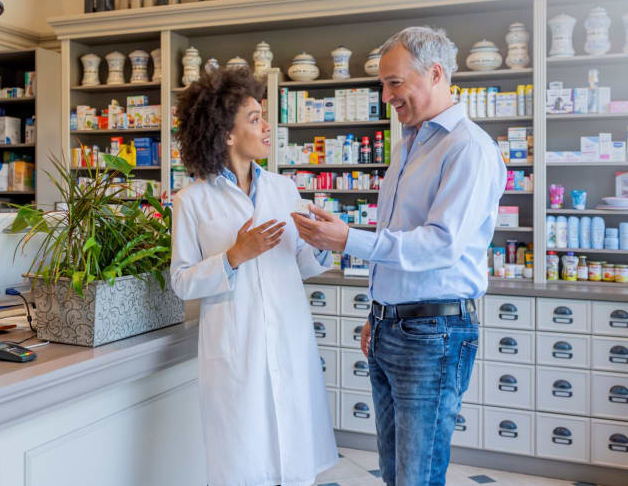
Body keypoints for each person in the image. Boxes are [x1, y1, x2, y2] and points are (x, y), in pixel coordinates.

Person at [291, 27, 506, 486]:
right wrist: (379, 310)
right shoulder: (411, 144)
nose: (386, 95)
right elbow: (398, 239)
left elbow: (441, 244)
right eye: (383, 84)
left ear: (435, 73)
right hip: (394, 326)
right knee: (394, 472)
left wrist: (349, 239)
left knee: (417, 475)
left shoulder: (467, 147)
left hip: (433, 333)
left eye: (394, 82)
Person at [170, 68, 338, 486]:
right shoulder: (191, 201)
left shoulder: (284, 190)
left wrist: (323, 244)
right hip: (236, 348)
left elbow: (300, 263)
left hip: (287, 339)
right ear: (226, 133)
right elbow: (181, 281)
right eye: (255, 118)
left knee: (293, 462)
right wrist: (233, 257)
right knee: (244, 465)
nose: (267, 127)